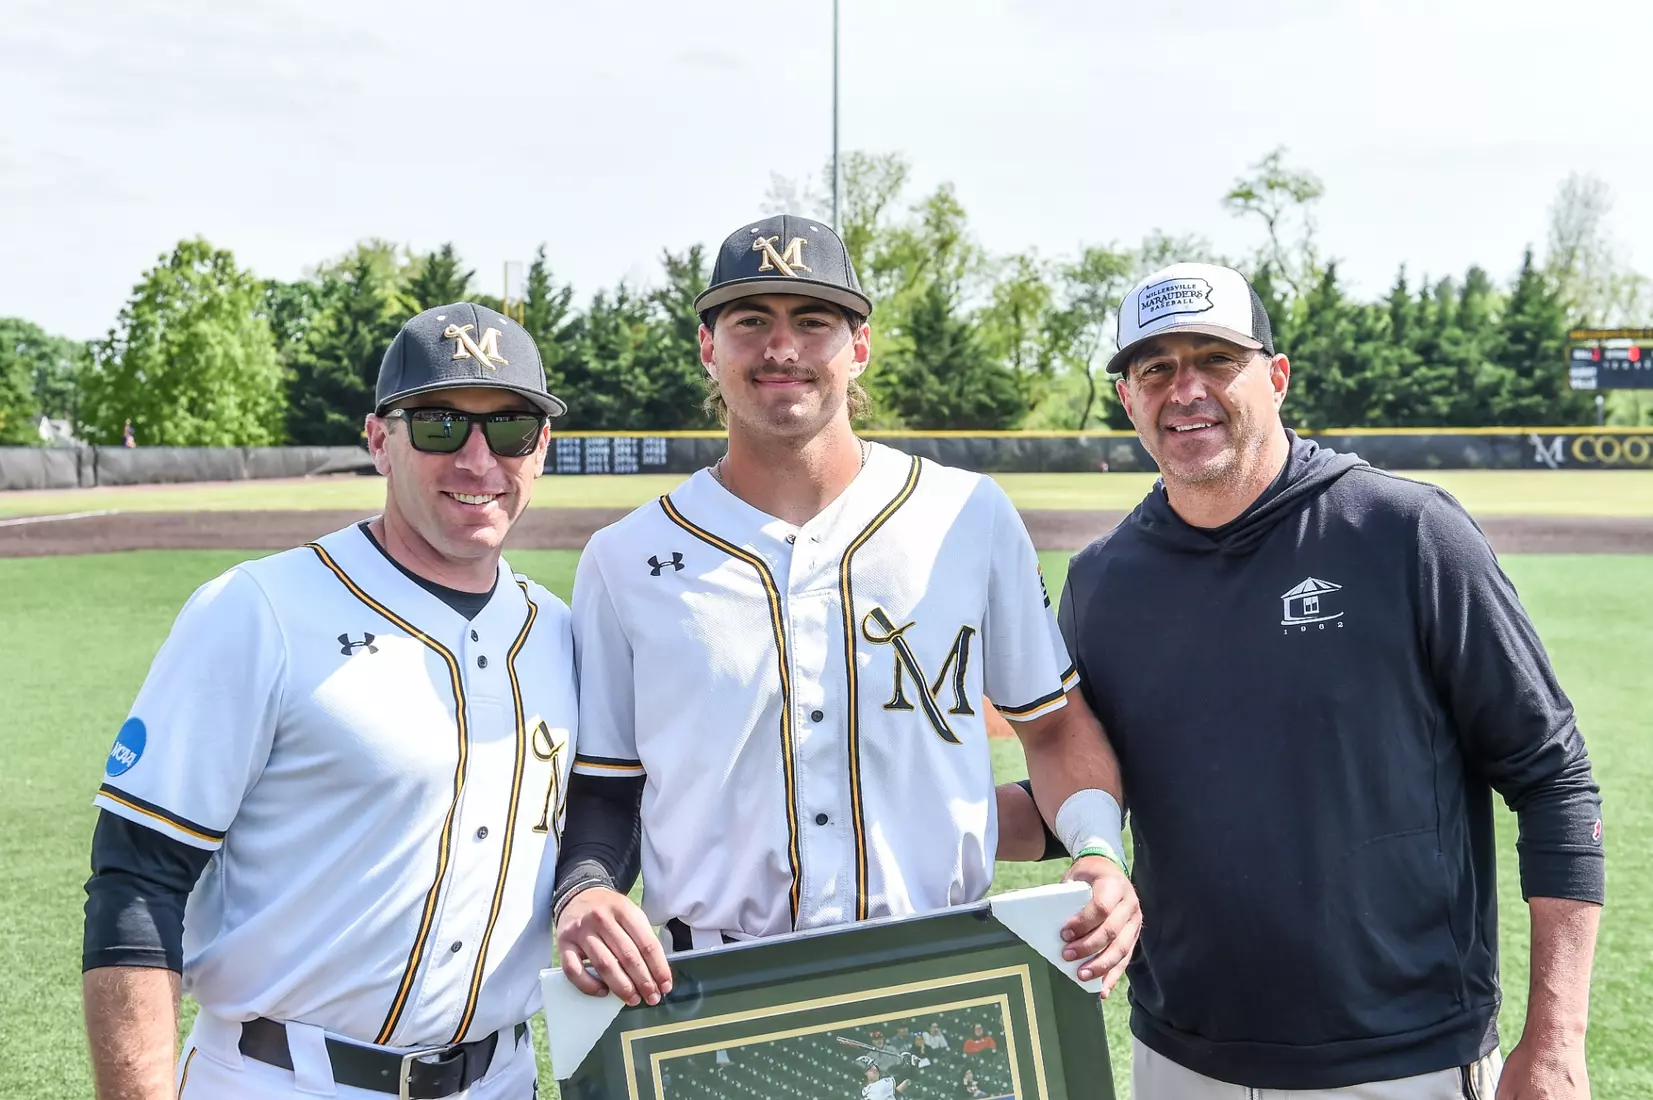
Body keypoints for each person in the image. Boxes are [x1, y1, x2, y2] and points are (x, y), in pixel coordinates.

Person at [551, 214, 1139, 1010]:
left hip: (942, 966)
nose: (782, 348)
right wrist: (583, 887)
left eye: (813, 321)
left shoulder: (967, 516)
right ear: (706, 347)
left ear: (858, 345)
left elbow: (1056, 725)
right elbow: (605, 788)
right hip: (715, 989)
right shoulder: (625, 560)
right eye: (750, 320)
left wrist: (1098, 850)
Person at [1059, 263, 1606, 1098]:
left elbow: (1552, 778)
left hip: (1401, 1060)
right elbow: (1087, 783)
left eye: (1215, 359)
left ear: (1275, 379)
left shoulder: (1405, 533)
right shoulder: (1101, 579)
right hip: (1177, 1056)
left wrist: (1556, 1040)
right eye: (1155, 368)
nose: (1186, 389)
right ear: (1128, 400)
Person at [81, 302, 575, 1099]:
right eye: (442, 424)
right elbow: (137, 879)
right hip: (283, 1078)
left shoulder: (558, 633)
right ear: (379, 440)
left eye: (512, 428)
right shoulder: (259, 609)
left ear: (542, 448)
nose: (480, 459)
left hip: (501, 1079)